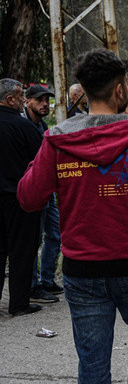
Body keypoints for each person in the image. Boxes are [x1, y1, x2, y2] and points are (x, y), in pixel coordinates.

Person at [17, 49, 128, 384]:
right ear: (120, 90)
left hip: (82, 266)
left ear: (85, 91)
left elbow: (29, 197)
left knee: (92, 356)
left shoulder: (57, 139)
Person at [1, 79, 44, 316]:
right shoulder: (24, 127)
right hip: (18, 199)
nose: (22, 100)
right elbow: (41, 162)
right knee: (22, 251)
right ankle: (18, 303)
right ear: (10, 99)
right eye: (20, 96)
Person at [24, 85, 63, 303]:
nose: (44, 104)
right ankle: (32, 286)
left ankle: (46, 279)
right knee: (35, 238)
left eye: (46, 100)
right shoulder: (25, 126)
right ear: (27, 101)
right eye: (39, 100)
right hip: (37, 189)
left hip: (49, 190)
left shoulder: (41, 126)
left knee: (55, 234)